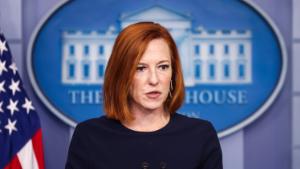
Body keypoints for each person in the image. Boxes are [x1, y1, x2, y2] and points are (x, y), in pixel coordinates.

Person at [65, 22, 223, 169]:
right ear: (121, 74)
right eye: (140, 68)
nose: (154, 80)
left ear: (173, 73)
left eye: (163, 67)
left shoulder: (201, 135)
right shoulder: (89, 136)